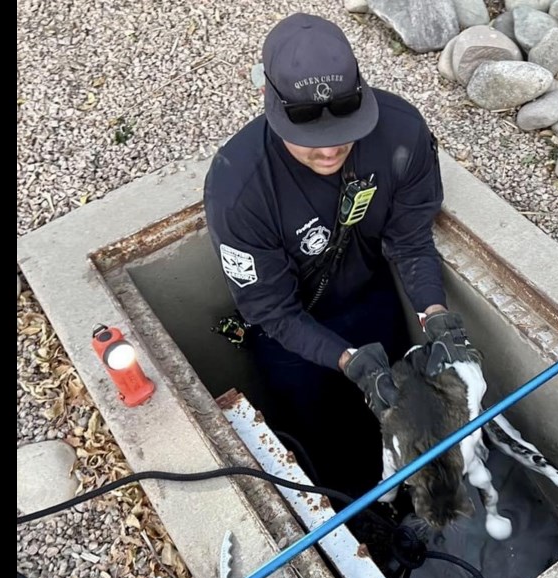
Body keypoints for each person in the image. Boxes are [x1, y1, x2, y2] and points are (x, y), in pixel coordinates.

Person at [203, 13, 478, 498]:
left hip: (370, 299)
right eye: (310, 137)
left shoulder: (400, 133)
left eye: (344, 128)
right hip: (290, 334)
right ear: (272, 103)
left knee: (396, 423)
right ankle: (352, 512)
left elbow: (410, 239)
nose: (330, 150)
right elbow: (270, 310)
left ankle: (405, 505)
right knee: (322, 441)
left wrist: (435, 315)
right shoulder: (239, 187)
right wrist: (347, 362)